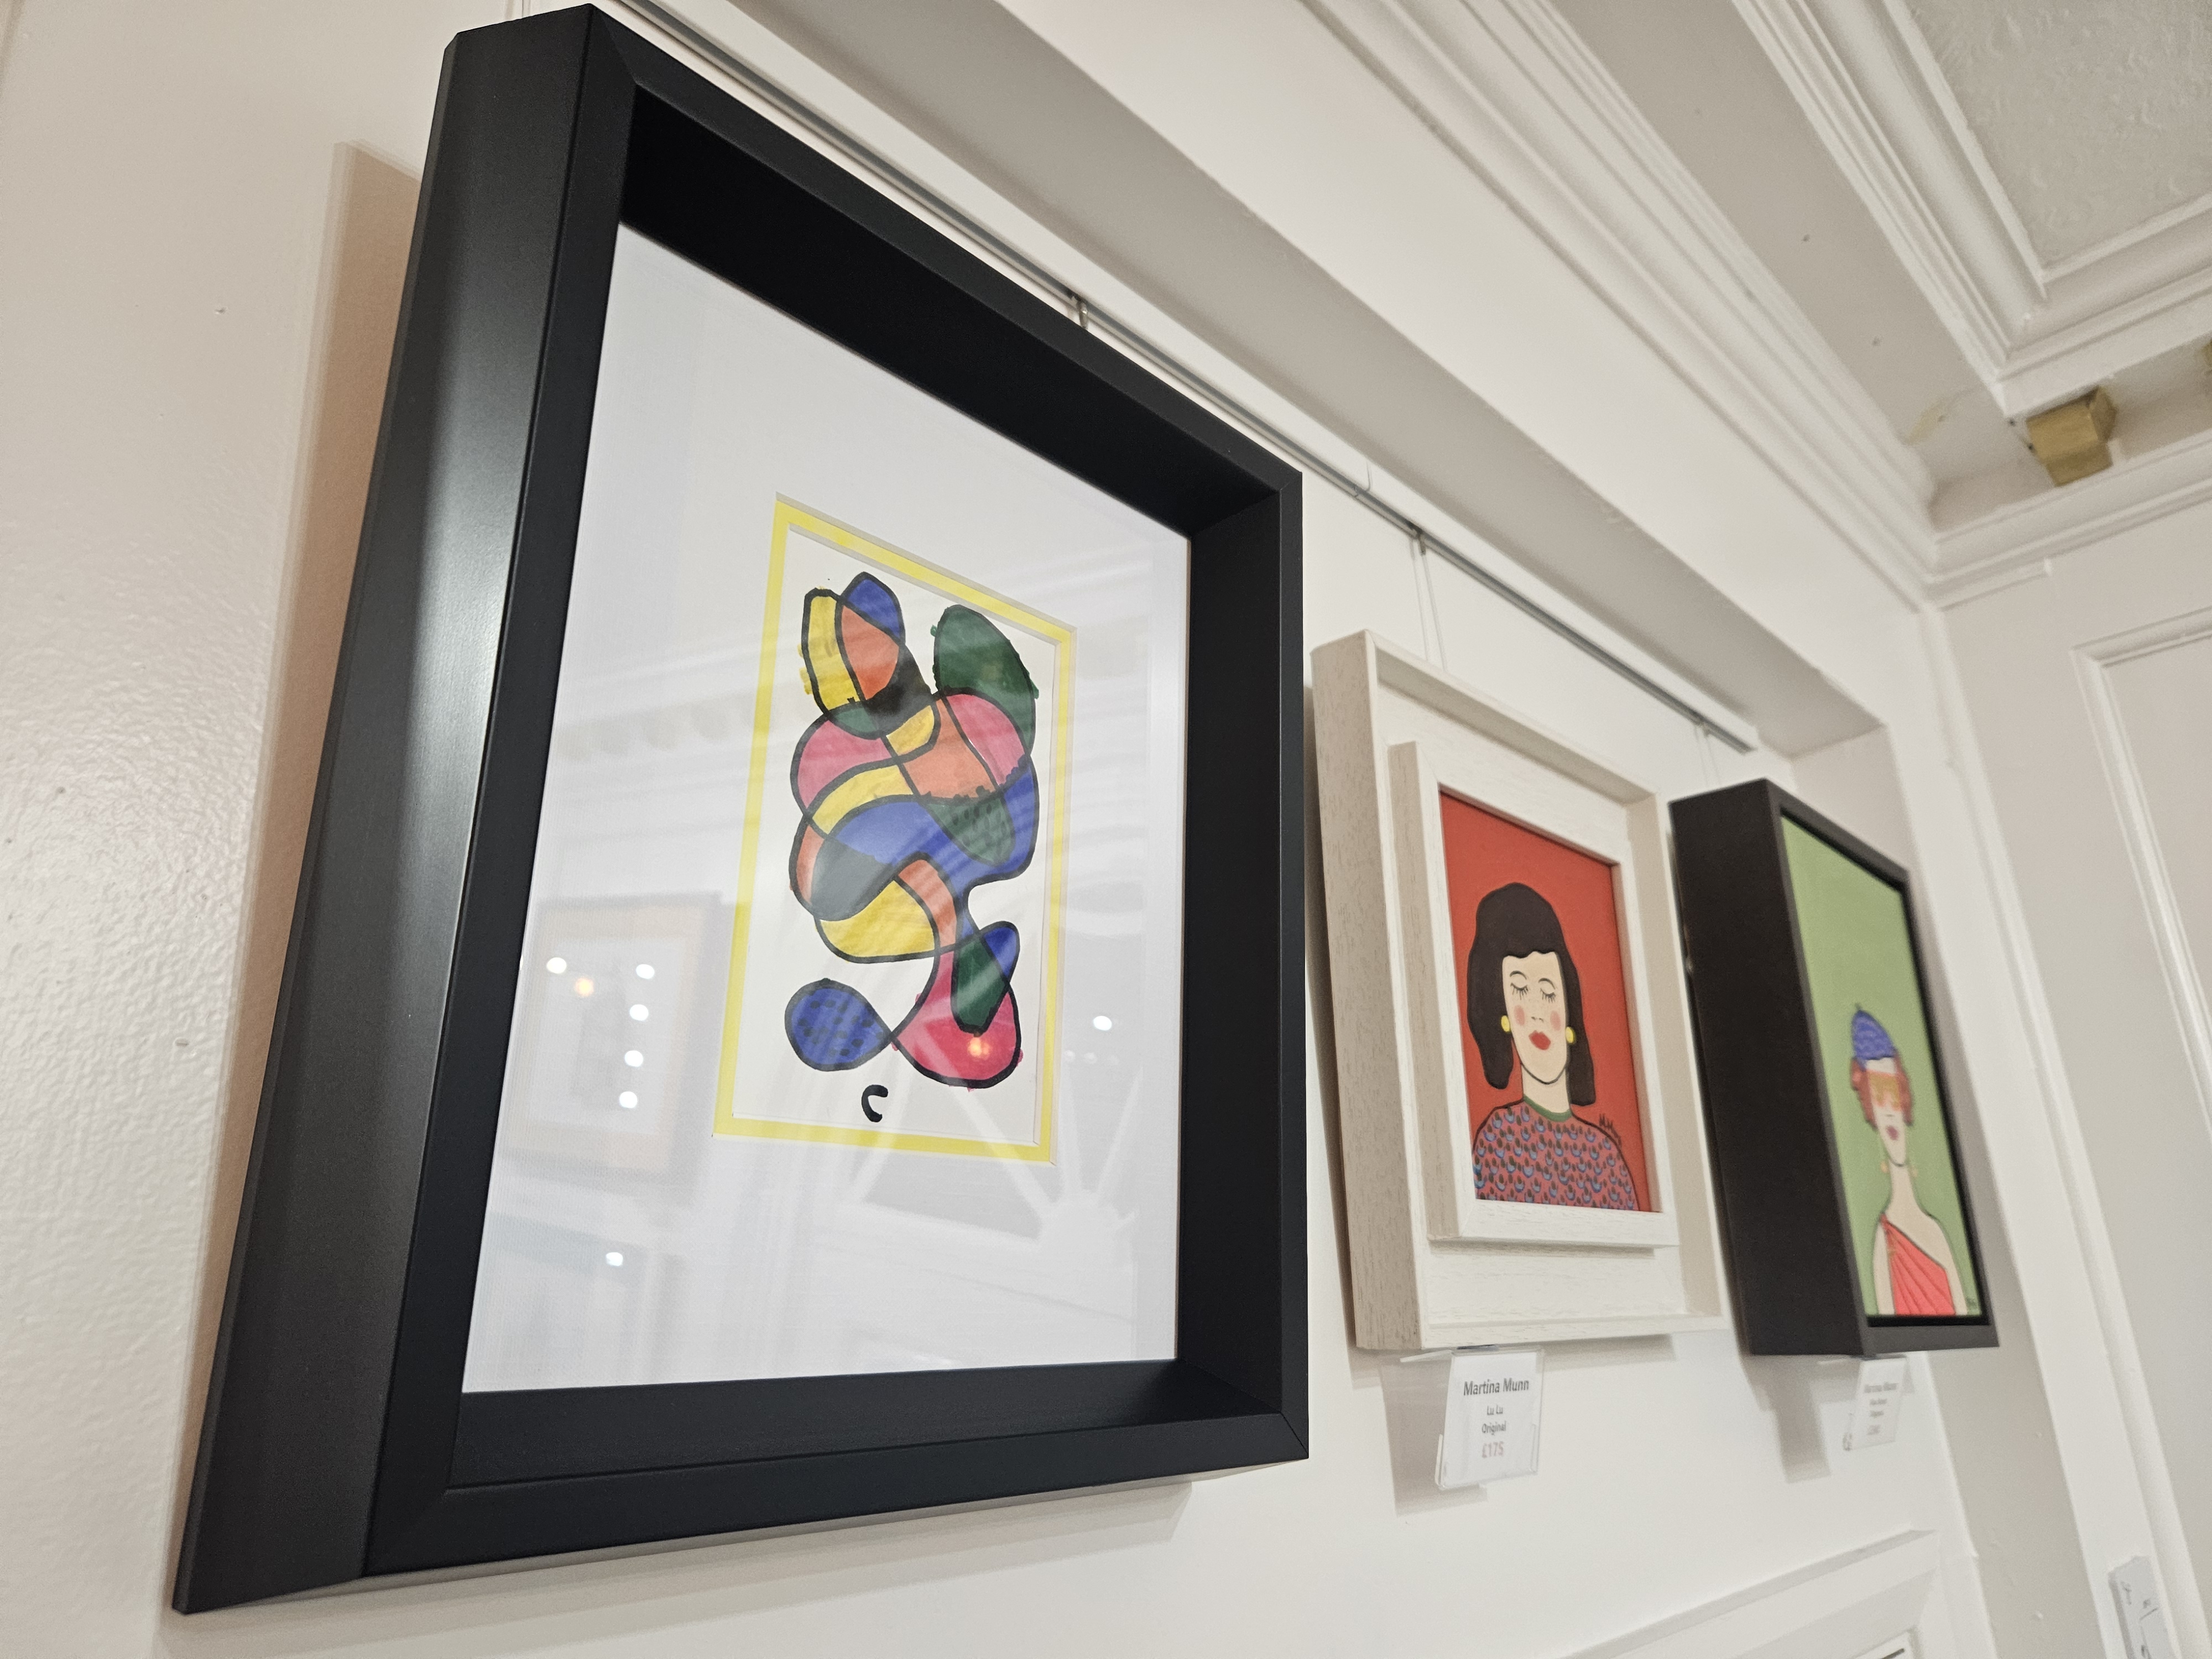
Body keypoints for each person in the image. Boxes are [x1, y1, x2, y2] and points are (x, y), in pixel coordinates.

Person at [1465, 883, 1637, 1209]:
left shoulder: (1606, 1157)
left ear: (1569, 1010)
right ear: (1504, 1017)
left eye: (1548, 992)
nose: (1537, 1014)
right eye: (1519, 991)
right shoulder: (1497, 1141)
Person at [1851, 1009, 1965, 1316]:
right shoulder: (1884, 1238)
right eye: (1878, 1096)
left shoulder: (1936, 1233)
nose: (1889, 1110)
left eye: (1893, 1094)